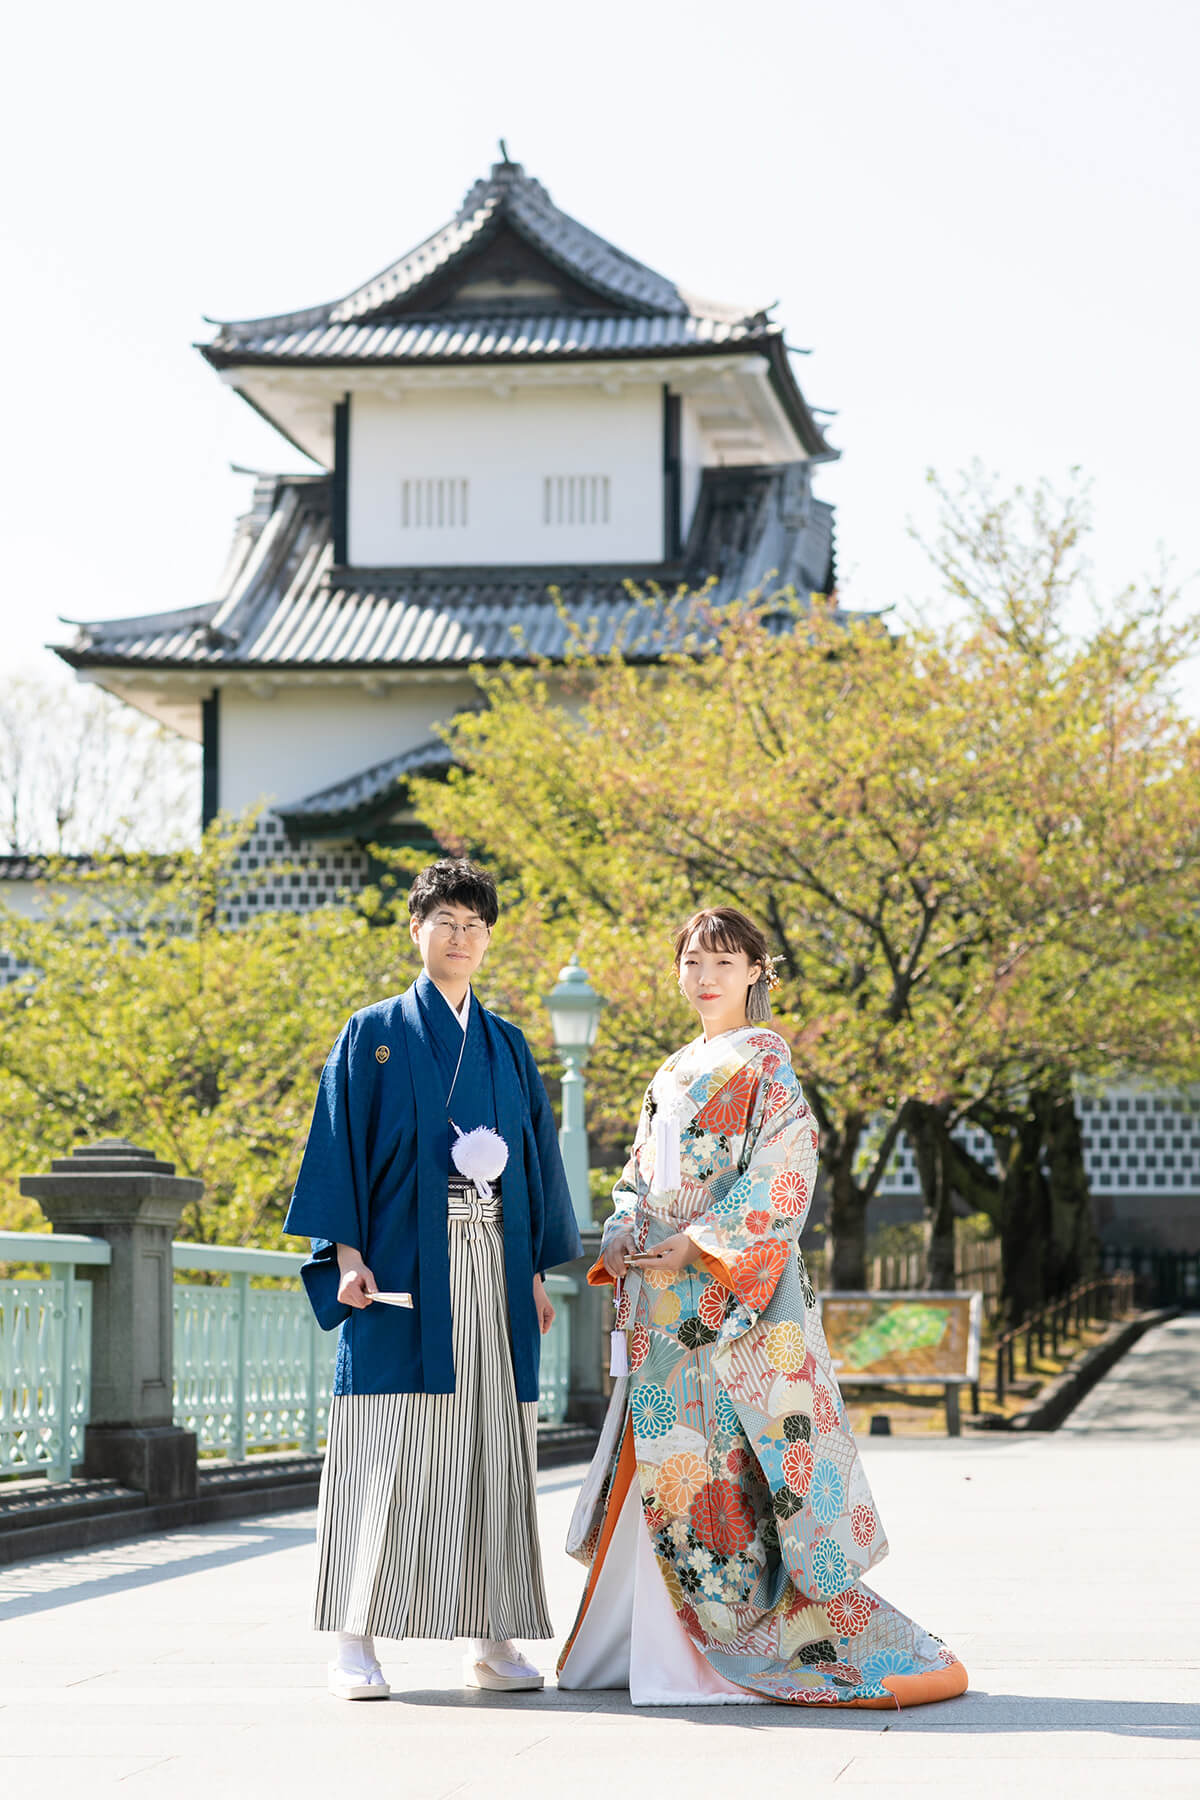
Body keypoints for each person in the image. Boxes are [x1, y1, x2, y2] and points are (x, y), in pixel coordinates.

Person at [558, 906, 968, 1708]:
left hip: (732, 1303)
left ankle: (720, 1648)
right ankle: (641, 1648)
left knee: (729, 1470)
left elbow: (784, 1177)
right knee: (667, 1464)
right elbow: (640, 1176)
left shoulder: (769, 1069)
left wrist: (701, 1243)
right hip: (661, 1296)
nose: (705, 978)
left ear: (755, 972)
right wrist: (620, 1232)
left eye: (722, 963)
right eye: (691, 963)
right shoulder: (672, 1069)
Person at [285, 858, 582, 1701]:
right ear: (415, 930)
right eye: (445, 922)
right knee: (384, 1443)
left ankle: (490, 1640)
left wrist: (530, 1272)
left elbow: (533, 1165)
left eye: (475, 925)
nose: (461, 937)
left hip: (491, 1258)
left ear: (489, 940)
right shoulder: (371, 1033)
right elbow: (336, 1149)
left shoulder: (508, 1045)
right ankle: (354, 1640)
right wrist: (345, 1256)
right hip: (402, 1266)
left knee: (494, 1443)